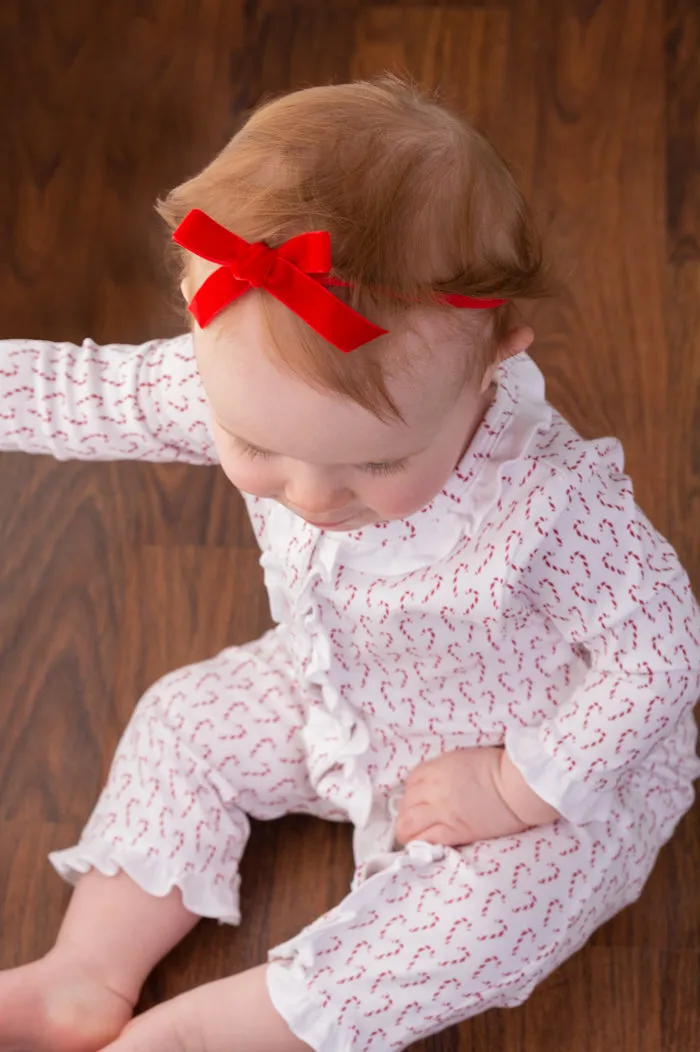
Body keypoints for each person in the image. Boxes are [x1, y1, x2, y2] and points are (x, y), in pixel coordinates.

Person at [0, 76, 698, 1052]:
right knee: (184, 720)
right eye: (257, 448)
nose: (312, 494)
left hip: (538, 770)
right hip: (344, 699)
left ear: (494, 359)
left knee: (477, 924)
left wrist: (513, 784)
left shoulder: (551, 505)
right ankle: (85, 970)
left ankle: (212, 1029)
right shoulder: (245, 372)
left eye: (373, 462)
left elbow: (658, 649)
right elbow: (90, 390)